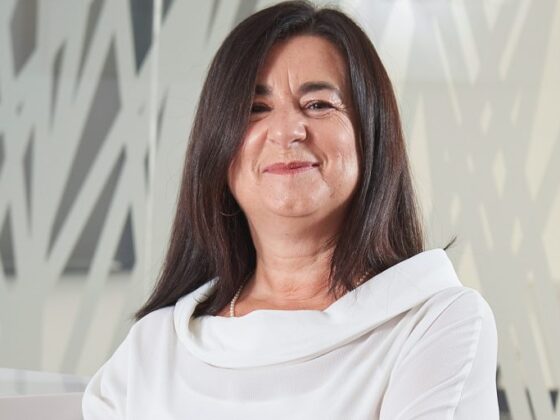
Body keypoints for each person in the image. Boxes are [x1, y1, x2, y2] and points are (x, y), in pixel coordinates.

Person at [82, 1, 499, 419]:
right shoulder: (152, 348)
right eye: (256, 108)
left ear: (372, 134)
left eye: (318, 104)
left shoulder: (433, 324)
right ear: (217, 145)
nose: (286, 131)